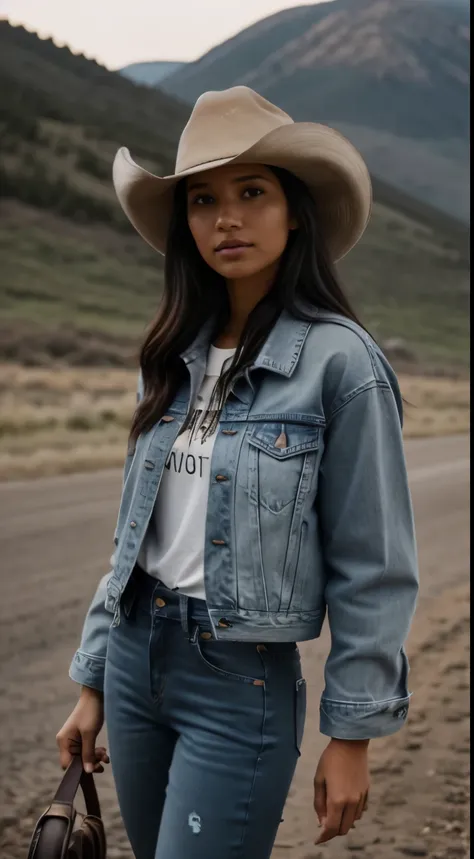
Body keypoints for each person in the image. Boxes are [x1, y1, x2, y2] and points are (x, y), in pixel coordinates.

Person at [57, 86, 419, 859]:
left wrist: (351, 732)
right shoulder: (169, 357)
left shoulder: (341, 364)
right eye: (203, 199)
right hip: (132, 661)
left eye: (253, 192)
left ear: (295, 211)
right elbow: (132, 542)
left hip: (239, 679)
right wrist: (92, 681)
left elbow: (375, 564)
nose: (227, 218)